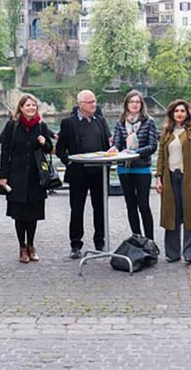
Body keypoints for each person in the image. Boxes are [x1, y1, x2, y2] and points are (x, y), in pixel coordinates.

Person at [56, 90, 112, 258]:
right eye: (90, 102)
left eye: (94, 101)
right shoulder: (68, 123)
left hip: (99, 172)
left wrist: (112, 152)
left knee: (100, 208)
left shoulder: (100, 121)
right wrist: (69, 161)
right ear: (80, 104)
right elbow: (60, 149)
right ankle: (75, 244)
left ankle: (100, 241)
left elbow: (107, 144)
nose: (94, 104)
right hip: (78, 173)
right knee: (77, 209)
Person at [0, 94, 54, 262]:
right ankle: (22, 247)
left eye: (34, 105)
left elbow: (50, 148)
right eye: (28, 105)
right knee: (19, 214)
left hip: (36, 177)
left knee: (33, 213)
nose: (31, 108)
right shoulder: (12, 126)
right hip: (17, 175)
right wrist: (3, 175)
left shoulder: (41, 126)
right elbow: (5, 151)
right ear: (21, 108)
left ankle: (31, 244)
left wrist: (44, 142)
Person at [155, 99, 191, 264]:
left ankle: (190, 252)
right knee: (172, 215)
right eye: (176, 111)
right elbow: (161, 156)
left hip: (190, 178)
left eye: (182, 111)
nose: (179, 114)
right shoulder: (166, 132)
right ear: (172, 113)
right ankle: (172, 253)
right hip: (171, 178)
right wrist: (158, 177)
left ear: (187, 113)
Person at [112, 90, 159, 241]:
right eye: (131, 102)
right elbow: (118, 144)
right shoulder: (120, 122)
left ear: (141, 104)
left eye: (137, 102)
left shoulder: (148, 122)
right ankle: (137, 238)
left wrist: (135, 152)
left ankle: (150, 241)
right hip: (124, 169)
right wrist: (114, 149)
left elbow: (152, 146)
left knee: (143, 205)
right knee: (130, 206)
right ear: (126, 104)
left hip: (142, 168)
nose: (134, 105)